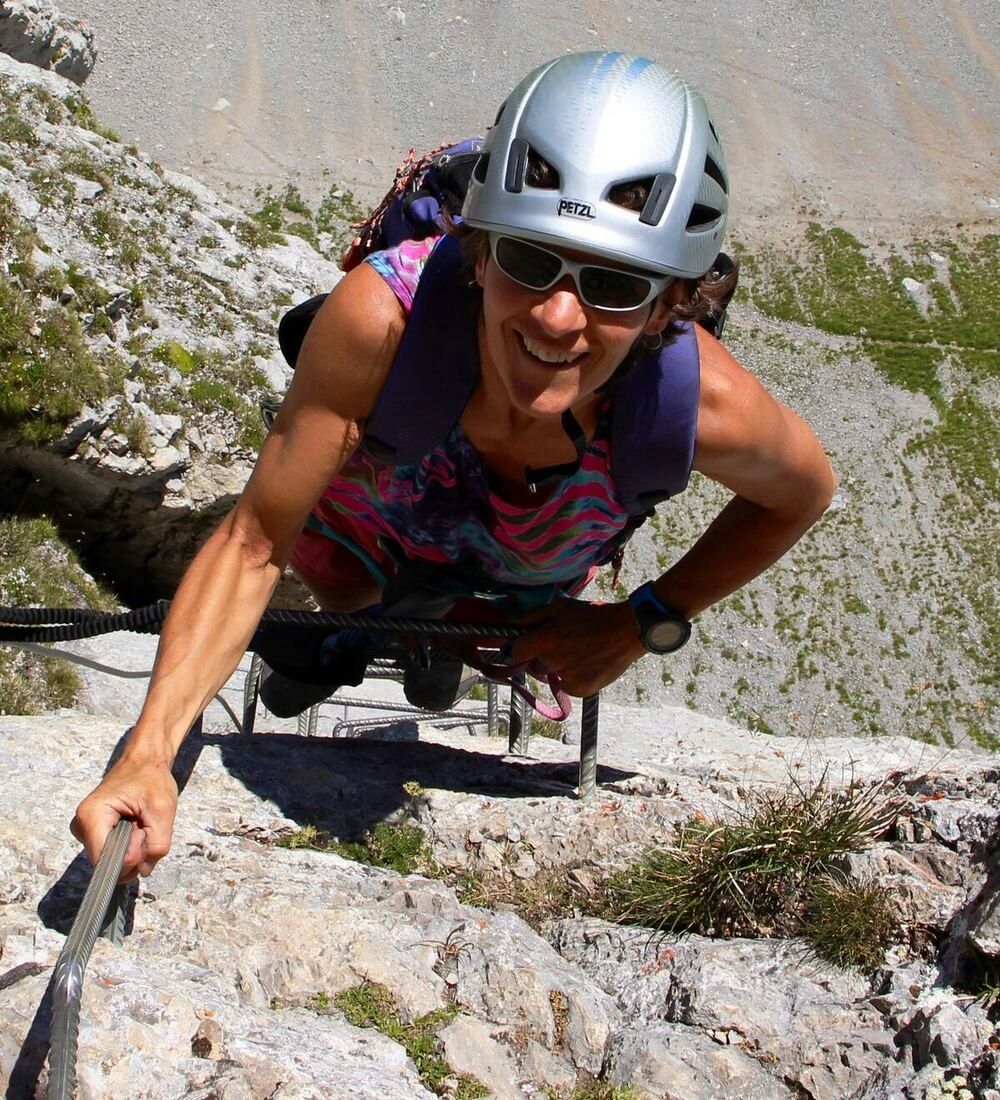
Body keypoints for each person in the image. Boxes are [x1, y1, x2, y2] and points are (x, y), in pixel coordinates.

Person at [72, 51, 836, 880]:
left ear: (665, 309)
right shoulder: (381, 323)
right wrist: (149, 754)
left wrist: (641, 621)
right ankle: (351, 651)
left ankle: (395, 652)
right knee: (331, 614)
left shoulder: (704, 404)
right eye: (529, 259)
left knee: (440, 641)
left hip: (492, 568)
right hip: (391, 541)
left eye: (614, 284)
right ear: (475, 252)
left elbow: (802, 493)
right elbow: (257, 541)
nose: (556, 316)